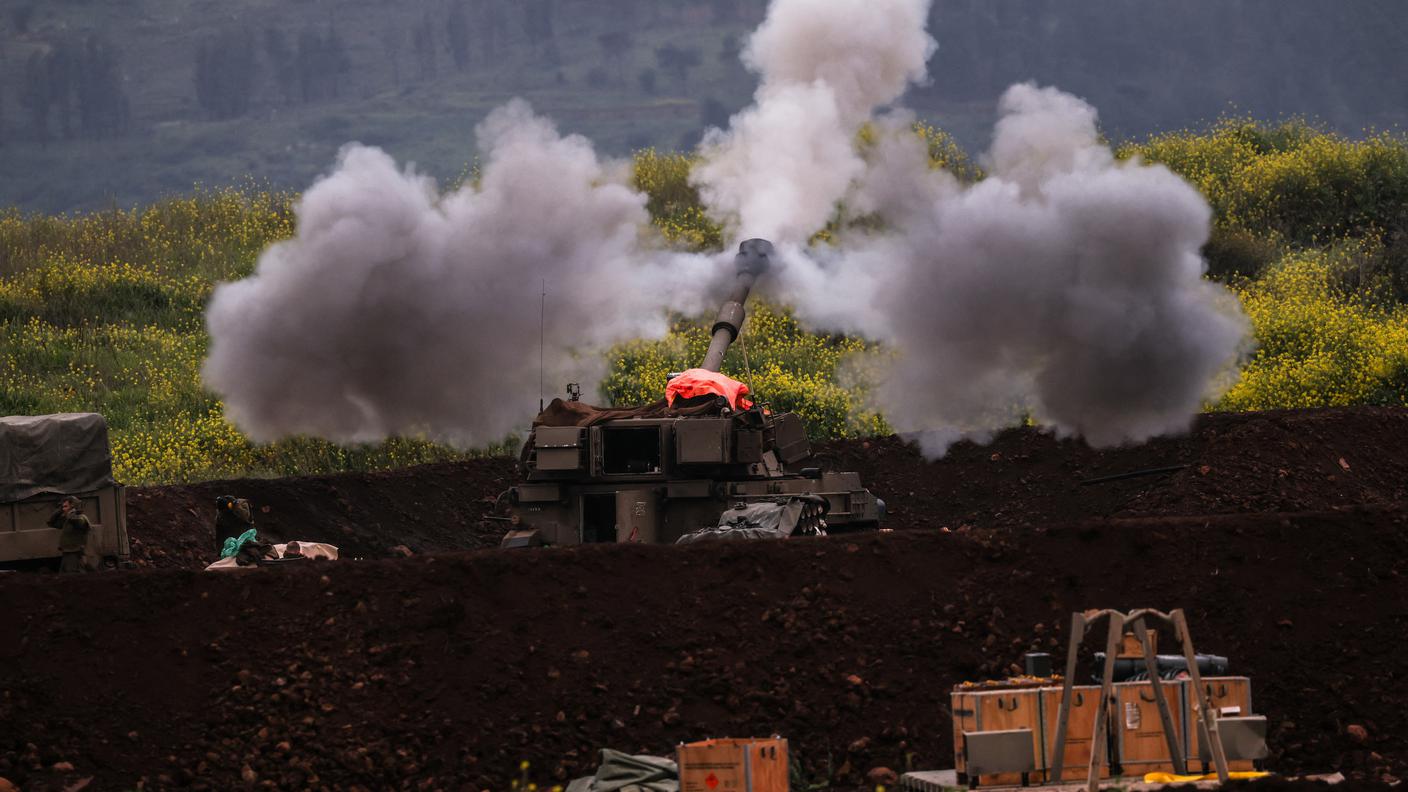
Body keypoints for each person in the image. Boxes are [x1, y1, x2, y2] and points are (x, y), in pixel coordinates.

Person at [47, 496, 91, 574]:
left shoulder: (81, 518)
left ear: (73, 507)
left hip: (75, 553)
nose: (63, 509)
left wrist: (72, 512)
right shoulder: (68, 520)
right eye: (63, 507)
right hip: (68, 552)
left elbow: (77, 522)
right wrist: (60, 510)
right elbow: (52, 523)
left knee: (73, 576)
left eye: (65, 506)